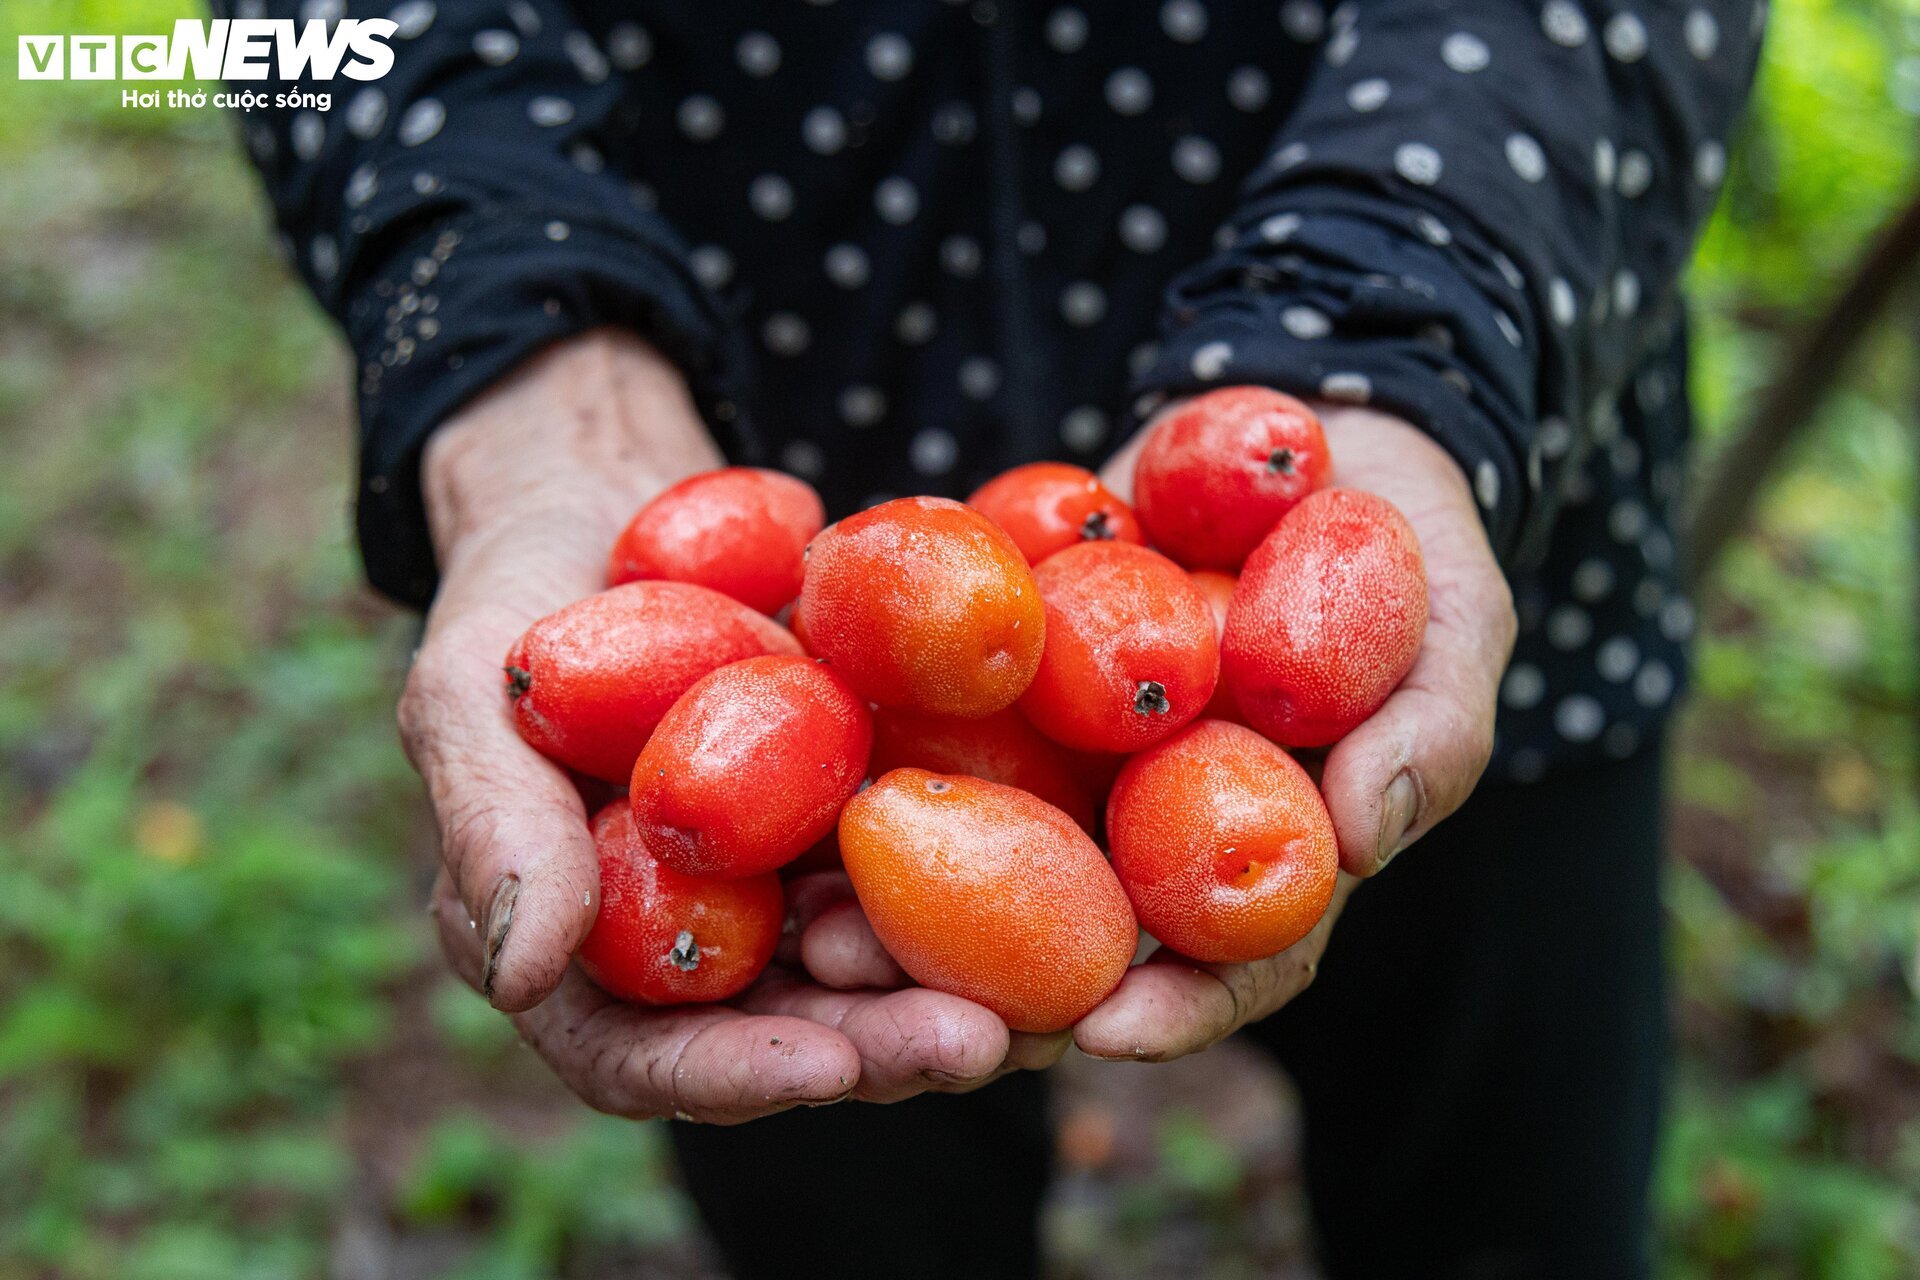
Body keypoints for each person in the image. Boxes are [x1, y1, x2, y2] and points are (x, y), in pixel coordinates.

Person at [221, 1, 1759, 1274]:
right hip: (757, 538)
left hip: (1442, 459)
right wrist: (522, 353)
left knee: (1511, 1219)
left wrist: (1397, 329)